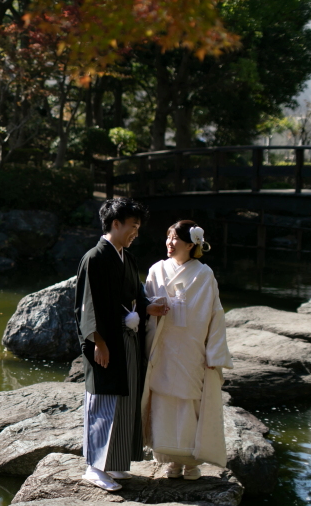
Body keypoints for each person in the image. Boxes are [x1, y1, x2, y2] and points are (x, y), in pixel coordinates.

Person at [74, 198, 168, 491]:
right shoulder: (94, 258)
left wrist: (147, 307)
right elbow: (87, 306)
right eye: (133, 226)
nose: (136, 233)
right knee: (103, 401)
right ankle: (94, 467)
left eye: (138, 227)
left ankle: (114, 462)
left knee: (125, 402)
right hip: (105, 341)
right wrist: (98, 342)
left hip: (128, 339)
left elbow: (135, 296)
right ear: (115, 224)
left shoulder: (127, 258)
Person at [142, 220, 233, 480]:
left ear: (191, 245)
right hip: (163, 347)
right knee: (163, 401)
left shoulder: (204, 274)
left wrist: (214, 353)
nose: (170, 243)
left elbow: (216, 314)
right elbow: (144, 303)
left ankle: (191, 462)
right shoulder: (157, 270)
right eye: (168, 237)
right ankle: (170, 460)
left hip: (192, 350)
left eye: (176, 239)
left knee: (190, 403)